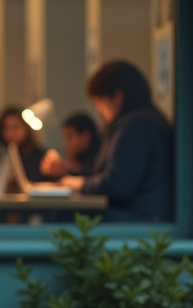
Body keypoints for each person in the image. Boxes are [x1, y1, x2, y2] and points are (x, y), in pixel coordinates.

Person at [53, 61, 173, 222]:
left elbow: (117, 185)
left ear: (117, 97)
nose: (98, 110)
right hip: (144, 216)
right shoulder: (143, 122)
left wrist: (76, 183)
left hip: (139, 218)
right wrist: (70, 174)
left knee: (66, 217)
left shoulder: (136, 126)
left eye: (99, 102)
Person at [0, 107, 49, 187]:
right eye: (6, 128)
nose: (11, 133)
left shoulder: (41, 156)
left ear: (26, 127)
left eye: (15, 127)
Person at [41, 112, 102, 179]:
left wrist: (66, 168)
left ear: (85, 136)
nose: (65, 143)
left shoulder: (101, 156)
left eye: (69, 137)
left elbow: (91, 177)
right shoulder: (79, 155)